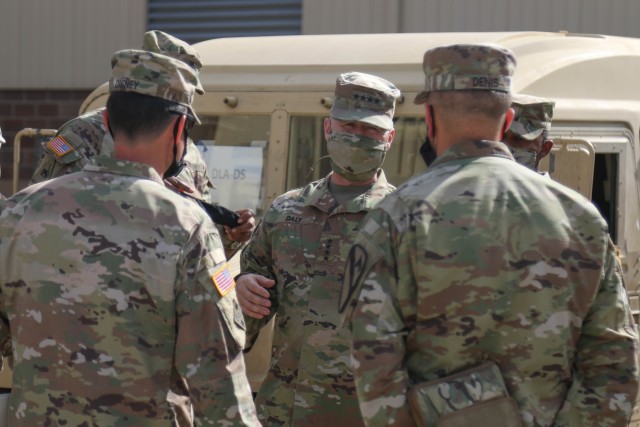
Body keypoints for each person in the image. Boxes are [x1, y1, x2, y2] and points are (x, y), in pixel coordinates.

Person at [343, 44, 640, 426]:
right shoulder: (580, 217)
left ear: (430, 119)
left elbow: (374, 364)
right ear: (507, 119)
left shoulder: (393, 218)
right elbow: (615, 363)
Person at [0, 49, 259, 426]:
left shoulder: (18, 212)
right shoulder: (189, 226)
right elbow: (215, 372)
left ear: (106, 120)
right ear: (178, 129)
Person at [236, 71, 400, 426]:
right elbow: (244, 309)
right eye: (348, 126)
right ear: (328, 128)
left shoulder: (407, 220)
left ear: (390, 136)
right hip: (284, 410)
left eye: (370, 130)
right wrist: (239, 290)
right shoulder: (285, 212)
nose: (358, 137)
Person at [30, 30, 255, 256]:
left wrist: (229, 235)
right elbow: (40, 215)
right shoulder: (81, 134)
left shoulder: (189, 152)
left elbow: (199, 245)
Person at [503, 93, 554, 173]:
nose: (505, 146)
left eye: (518, 139)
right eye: (501, 137)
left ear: (545, 149)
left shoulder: (546, 186)